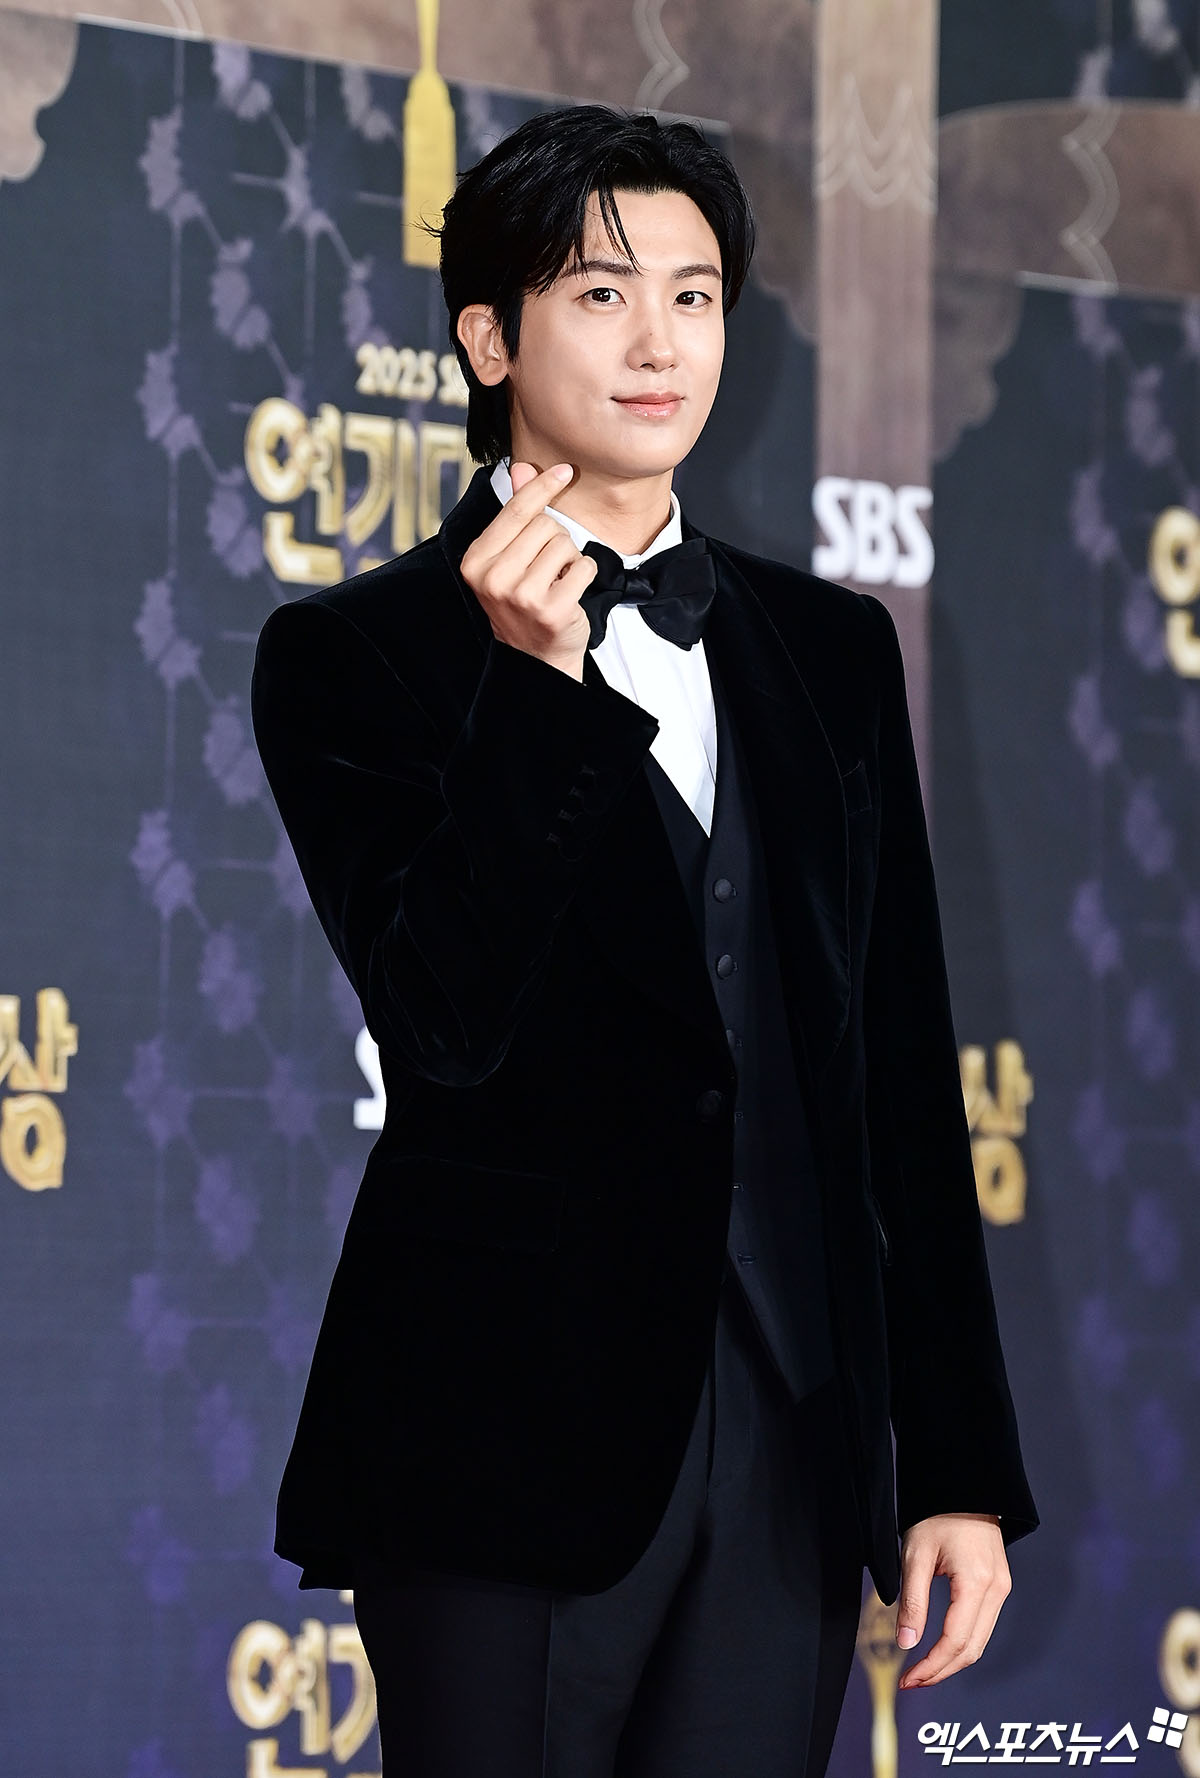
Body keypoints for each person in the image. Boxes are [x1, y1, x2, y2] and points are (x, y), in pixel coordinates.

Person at [250, 103, 1039, 1778]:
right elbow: (441, 1021)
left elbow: (903, 1074)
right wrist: (537, 695)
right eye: (602, 295)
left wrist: (956, 1463)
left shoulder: (830, 647)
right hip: (500, 1430)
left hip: (795, 1433)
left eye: (694, 297)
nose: (660, 343)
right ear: (489, 337)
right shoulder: (354, 654)